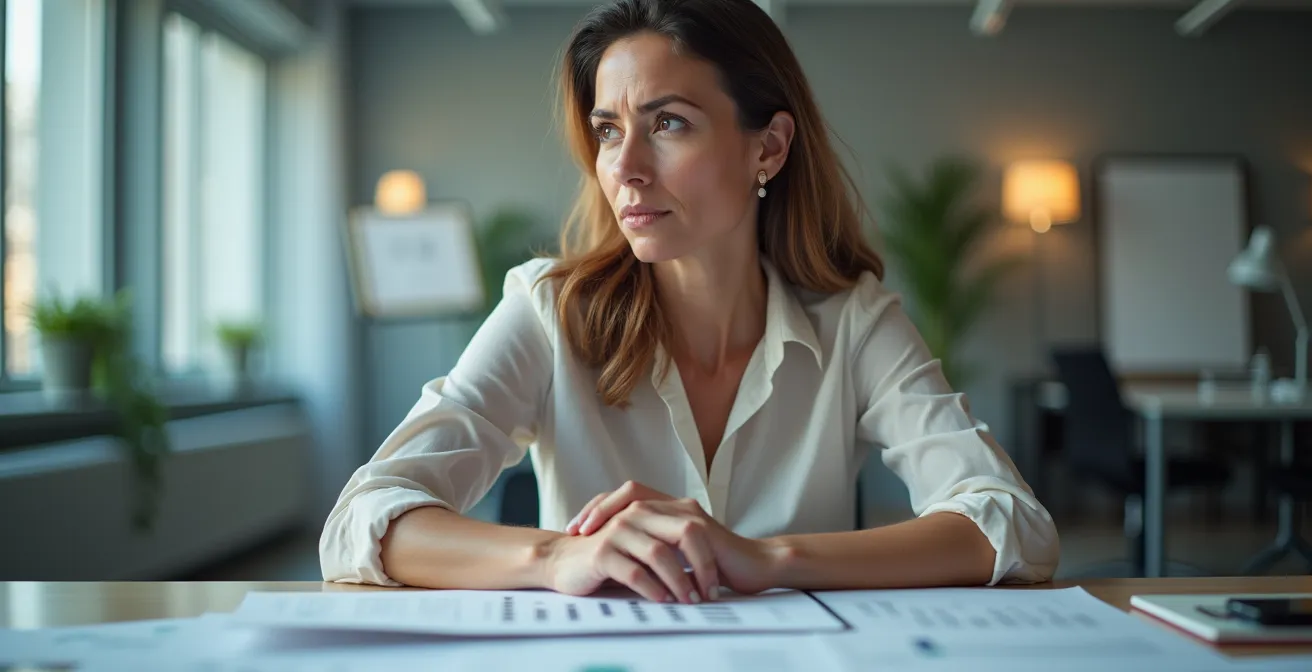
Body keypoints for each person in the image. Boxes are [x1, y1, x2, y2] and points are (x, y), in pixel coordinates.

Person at [320, 0, 1059, 603]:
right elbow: (361, 520)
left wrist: (768, 558)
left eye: (667, 123)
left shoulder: (855, 325)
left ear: (767, 149)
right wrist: (556, 557)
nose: (626, 169)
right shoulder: (548, 311)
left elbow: (1014, 525)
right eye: (609, 131)